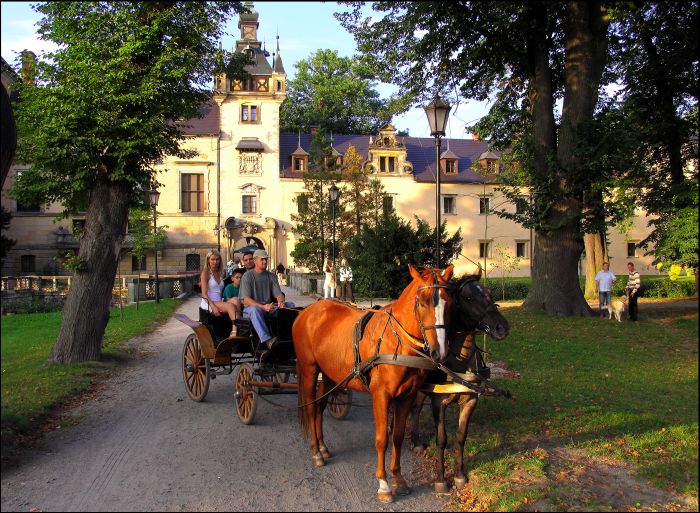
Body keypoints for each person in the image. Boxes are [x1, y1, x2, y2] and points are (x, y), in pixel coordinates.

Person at [239, 249, 295, 351]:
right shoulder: (247, 276)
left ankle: (289, 337)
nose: (265, 262)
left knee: (290, 305)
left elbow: (278, 294)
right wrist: (262, 307)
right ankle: (267, 340)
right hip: (252, 310)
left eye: (266, 259)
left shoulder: (271, 276)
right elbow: (245, 300)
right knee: (255, 310)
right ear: (255, 261)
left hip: (268, 308)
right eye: (262, 259)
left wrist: (281, 302)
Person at [200, 250, 238, 338]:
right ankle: (235, 331)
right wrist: (213, 307)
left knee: (236, 300)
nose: (215, 262)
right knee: (230, 306)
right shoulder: (205, 273)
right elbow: (204, 294)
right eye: (212, 259)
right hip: (209, 302)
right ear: (208, 260)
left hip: (219, 301)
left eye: (217, 259)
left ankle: (241, 324)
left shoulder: (220, 273)